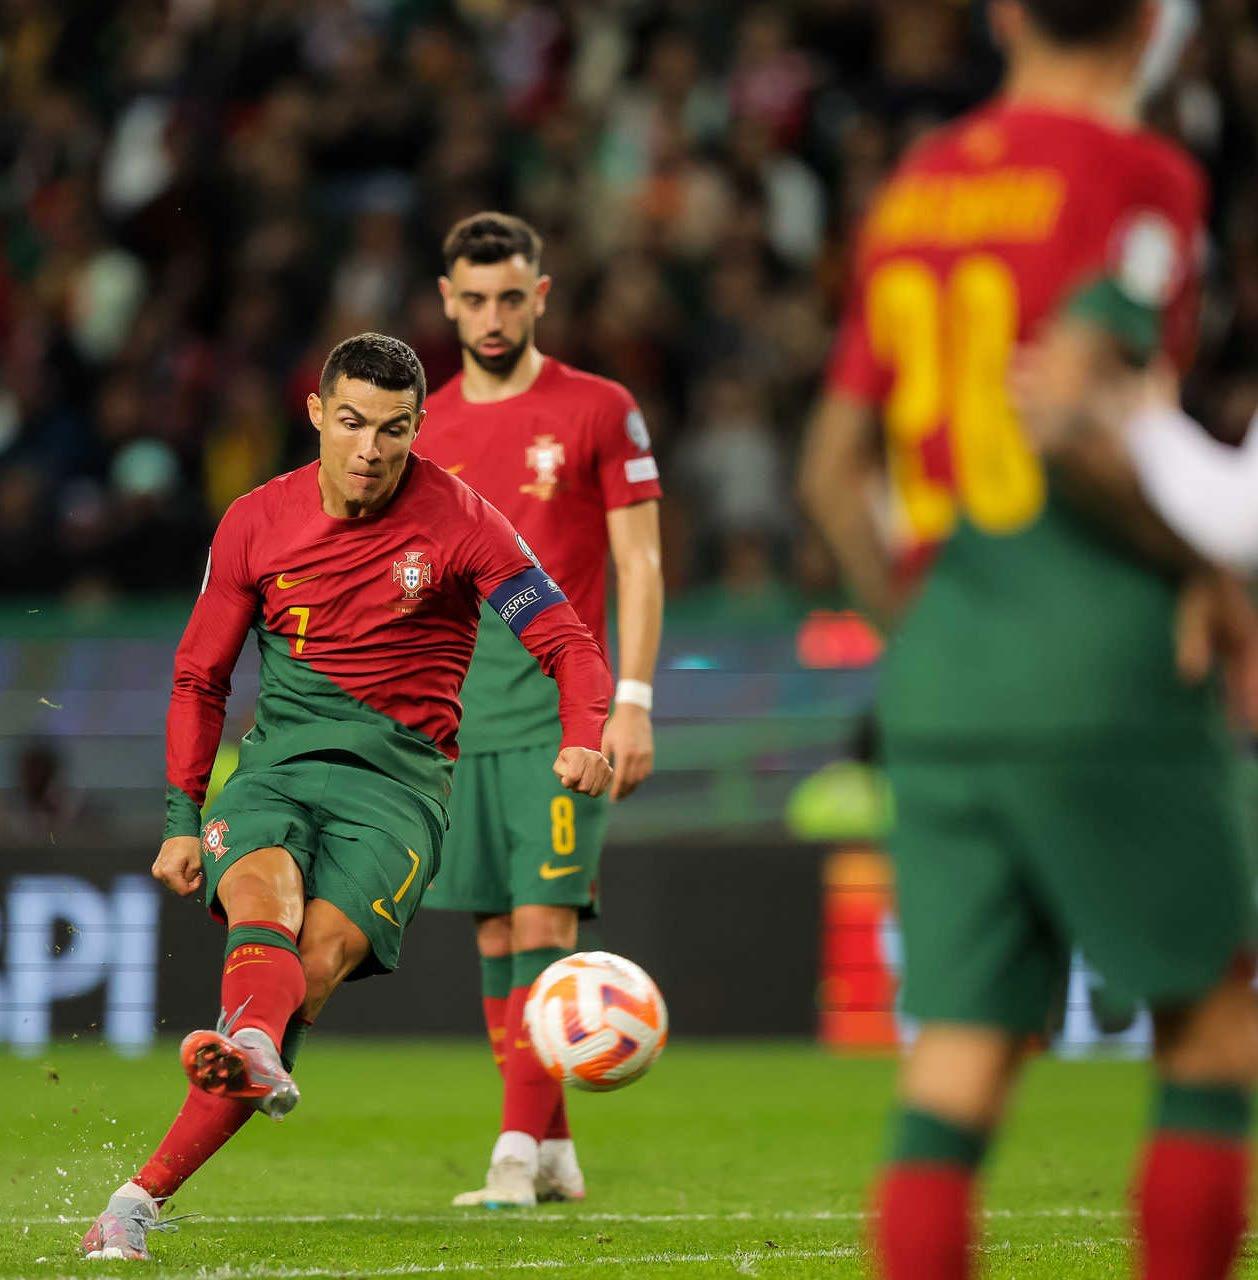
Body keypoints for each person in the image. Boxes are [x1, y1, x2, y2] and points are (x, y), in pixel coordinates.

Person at [799, 4, 1258, 1278]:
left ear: (1003, 14)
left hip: (943, 675)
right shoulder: (1138, 171)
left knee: (960, 1050)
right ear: (1151, 23)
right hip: (1100, 658)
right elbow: (1077, 415)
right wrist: (1201, 575)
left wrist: (920, 629)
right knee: (1212, 1027)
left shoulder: (918, 184)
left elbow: (830, 469)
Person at [80, 332, 614, 1261]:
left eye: (394, 429)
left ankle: (159, 1168)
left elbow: (566, 642)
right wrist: (179, 819)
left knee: (317, 961)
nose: (371, 448)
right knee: (266, 896)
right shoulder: (255, 520)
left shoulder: (464, 521)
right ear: (318, 413)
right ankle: (189, 1132)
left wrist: (583, 733)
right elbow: (200, 676)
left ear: (418, 427)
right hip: (276, 769)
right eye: (354, 423)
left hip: (399, 788)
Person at [418, 212, 664, 1208]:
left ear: (541, 297)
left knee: (545, 916)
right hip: (459, 718)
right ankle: (554, 1149)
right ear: (447, 301)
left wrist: (631, 701)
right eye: (475, 299)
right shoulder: (424, 428)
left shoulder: (600, 408)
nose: (492, 317)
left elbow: (641, 561)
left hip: (566, 713)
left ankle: (513, 1154)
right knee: (493, 934)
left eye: (510, 297)